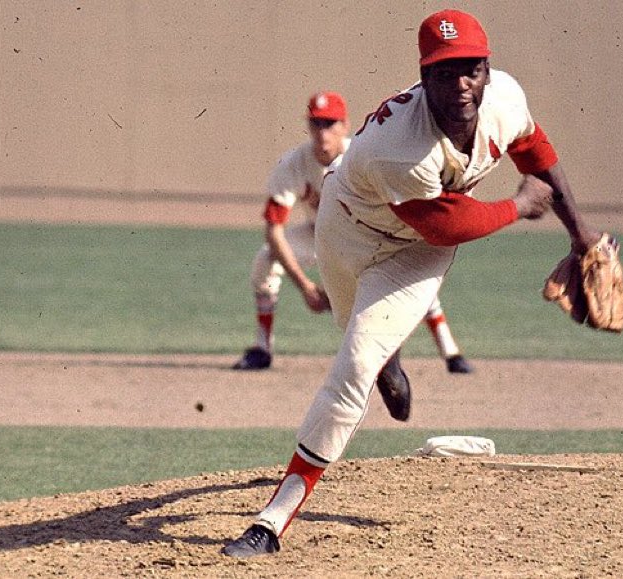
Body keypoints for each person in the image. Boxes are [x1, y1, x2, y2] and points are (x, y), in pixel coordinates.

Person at [221, 9, 602, 557]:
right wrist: (519, 207)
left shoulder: (506, 99)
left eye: (471, 69)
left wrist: (581, 236)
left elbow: (537, 155)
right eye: (445, 72)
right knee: (363, 345)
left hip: (414, 254)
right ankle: (389, 357)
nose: (461, 83)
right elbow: (448, 223)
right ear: (424, 78)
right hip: (346, 232)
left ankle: (271, 522)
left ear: (487, 70)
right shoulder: (400, 146)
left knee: (354, 364)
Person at [232, 90, 474, 375]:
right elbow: (274, 231)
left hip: (365, 232)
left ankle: (450, 352)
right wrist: (306, 287)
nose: (323, 132)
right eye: (316, 123)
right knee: (265, 259)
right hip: (319, 232)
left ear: (345, 125)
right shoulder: (293, 163)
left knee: (407, 274)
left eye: (330, 123)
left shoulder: (360, 154)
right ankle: (262, 348)